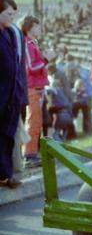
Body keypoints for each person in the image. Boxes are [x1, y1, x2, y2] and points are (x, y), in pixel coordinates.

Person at [22, 16, 55, 168]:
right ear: (29, 27)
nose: (40, 29)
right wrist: (46, 59)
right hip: (32, 88)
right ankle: (29, 156)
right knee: (33, 122)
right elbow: (32, 68)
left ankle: (33, 152)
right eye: (37, 26)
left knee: (37, 122)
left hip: (38, 88)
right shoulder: (27, 44)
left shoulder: (33, 43)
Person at [0, 0, 26, 188]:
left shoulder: (10, 33)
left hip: (11, 95)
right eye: (8, 14)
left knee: (8, 136)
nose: (12, 18)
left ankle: (5, 175)